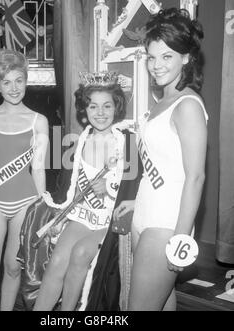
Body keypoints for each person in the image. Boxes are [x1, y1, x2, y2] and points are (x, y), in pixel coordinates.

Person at [113, 8, 208, 311]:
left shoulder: (187, 105)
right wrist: (136, 201)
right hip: (144, 215)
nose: (156, 66)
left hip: (167, 224)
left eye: (167, 57)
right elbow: (159, 164)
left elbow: (195, 177)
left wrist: (180, 235)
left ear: (186, 57)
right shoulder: (161, 102)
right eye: (151, 57)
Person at [31, 72, 127, 311]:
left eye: (107, 106)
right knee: (56, 262)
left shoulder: (126, 142)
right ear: (85, 110)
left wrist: (110, 186)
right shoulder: (81, 140)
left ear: (117, 107)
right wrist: (60, 218)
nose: (101, 113)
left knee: (80, 253)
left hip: (108, 221)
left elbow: (132, 190)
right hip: (82, 216)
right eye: (93, 106)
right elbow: (73, 188)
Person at [0, 49, 49, 311]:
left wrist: (42, 212)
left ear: (26, 81)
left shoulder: (40, 121)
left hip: (25, 204)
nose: (14, 88)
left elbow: (38, 169)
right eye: (6, 82)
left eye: (19, 80)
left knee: (14, 270)